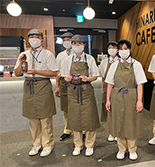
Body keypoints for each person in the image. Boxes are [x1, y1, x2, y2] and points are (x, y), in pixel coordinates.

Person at [13, 29, 58, 157]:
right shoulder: (23, 54)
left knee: (45, 117)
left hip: (42, 85)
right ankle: (36, 143)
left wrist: (36, 71)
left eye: (37, 37)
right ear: (28, 40)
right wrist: (21, 62)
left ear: (42, 40)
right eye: (31, 37)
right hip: (28, 86)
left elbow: (54, 72)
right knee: (32, 117)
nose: (34, 39)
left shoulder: (47, 54)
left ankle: (48, 144)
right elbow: (16, 73)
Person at [105, 39, 147, 161]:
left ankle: (132, 149)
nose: (123, 51)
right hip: (117, 96)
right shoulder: (114, 65)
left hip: (131, 95)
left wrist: (139, 101)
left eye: (126, 48)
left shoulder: (136, 64)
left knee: (131, 122)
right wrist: (108, 100)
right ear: (118, 51)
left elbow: (140, 84)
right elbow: (109, 84)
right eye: (121, 49)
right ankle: (121, 149)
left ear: (129, 50)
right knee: (119, 122)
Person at [62, 34, 100, 157]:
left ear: (84, 45)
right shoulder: (67, 60)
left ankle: (89, 145)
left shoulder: (90, 59)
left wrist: (87, 78)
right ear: (71, 45)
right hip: (73, 92)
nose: (77, 46)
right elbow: (64, 75)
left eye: (79, 44)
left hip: (86, 90)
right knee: (74, 118)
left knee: (90, 118)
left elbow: (95, 76)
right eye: (74, 44)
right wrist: (67, 78)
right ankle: (78, 145)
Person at [55, 32, 74, 141]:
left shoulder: (77, 53)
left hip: (75, 81)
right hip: (63, 82)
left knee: (77, 106)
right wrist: (57, 86)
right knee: (65, 108)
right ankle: (67, 129)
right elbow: (58, 72)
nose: (66, 41)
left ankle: (81, 130)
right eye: (64, 39)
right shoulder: (60, 55)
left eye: (69, 39)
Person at [99, 41, 119, 142]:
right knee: (109, 110)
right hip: (107, 87)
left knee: (118, 110)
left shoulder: (121, 61)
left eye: (114, 47)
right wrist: (103, 90)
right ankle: (111, 132)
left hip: (118, 87)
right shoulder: (104, 62)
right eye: (110, 47)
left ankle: (117, 132)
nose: (112, 49)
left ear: (117, 49)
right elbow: (103, 78)